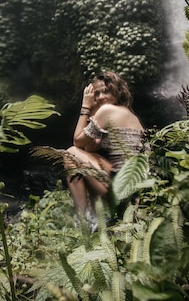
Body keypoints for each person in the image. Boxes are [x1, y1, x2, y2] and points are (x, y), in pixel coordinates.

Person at [63, 71, 147, 229]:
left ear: (118, 92)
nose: (101, 97)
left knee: (71, 154)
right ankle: (96, 218)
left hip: (127, 190)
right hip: (137, 188)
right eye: (97, 93)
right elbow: (89, 147)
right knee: (90, 158)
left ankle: (83, 221)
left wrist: (86, 107)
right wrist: (94, 113)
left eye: (106, 91)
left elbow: (77, 142)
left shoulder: (108, 111)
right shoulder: (127, 113)